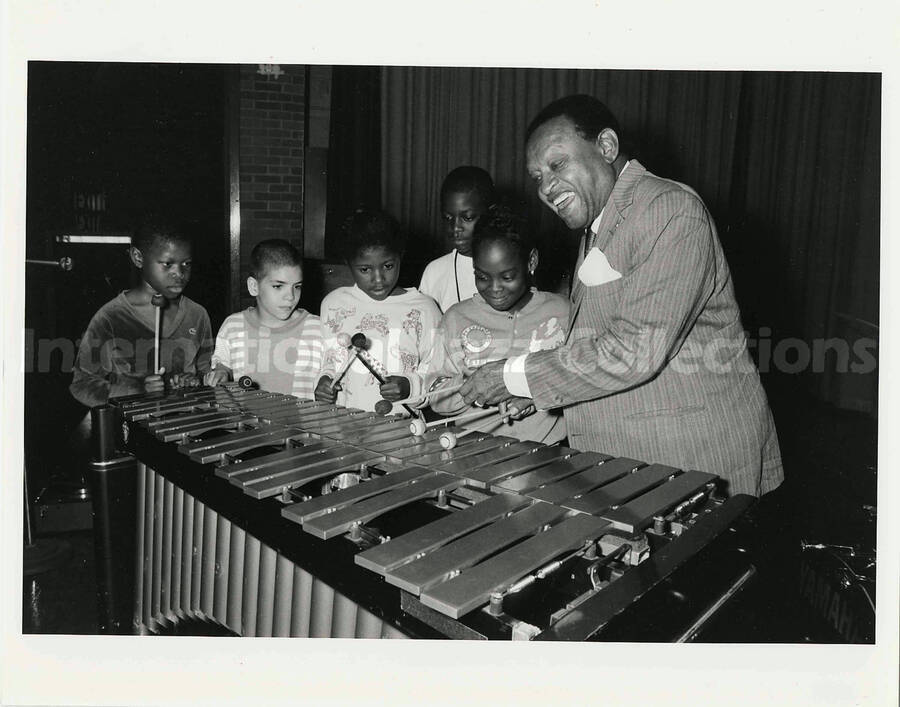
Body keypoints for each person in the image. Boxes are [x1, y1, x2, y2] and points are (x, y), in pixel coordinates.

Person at [460, 95, 784, 497]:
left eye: (557, 165)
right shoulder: (598, 227)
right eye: (537, 176)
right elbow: (596, 347)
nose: (545, 187)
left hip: (694, 459)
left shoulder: (668, 210)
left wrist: (516, 375)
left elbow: (633, 350)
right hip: (633, 461)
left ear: (607, 146)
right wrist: (537, 394)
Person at [418, 205, 569, 444]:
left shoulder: (563, 312)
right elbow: (435, 395)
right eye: (482, 277)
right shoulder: (456, 319)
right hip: (476, 452)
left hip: (550, 451)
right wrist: (474, 390)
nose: (495, 288)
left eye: (507, 277)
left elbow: (582, 379)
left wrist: (534, 396)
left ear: (531, 261)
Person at [70, 216, 213, 407]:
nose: (179, 274)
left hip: (185, 423)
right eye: (167, 264)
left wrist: (195, 382)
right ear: (138, 258)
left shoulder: (198, 314)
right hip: (133, 428)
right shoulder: (110, 317)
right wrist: (137, 390)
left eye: (186, 264)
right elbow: (82, 385)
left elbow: (207, 373)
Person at [315, 208, 441, 414]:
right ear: (349, 264)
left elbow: (438, 379)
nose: (379, 279)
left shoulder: (425, 309)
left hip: (401, 432)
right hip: (342, 429)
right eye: (365, 270)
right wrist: (323, 383)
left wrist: (410, 386)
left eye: (388, 266)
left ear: (401, 256)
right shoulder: (334, 305)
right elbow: (328, 363)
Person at [205, 239, 322, 398]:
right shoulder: (233, 326)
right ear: (254, 286)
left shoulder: (316, 327)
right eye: (278, 286)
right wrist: (220, 374)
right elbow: (223, 367)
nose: (291, 296)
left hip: (301, 422)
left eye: (297, 286)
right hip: (247, 421)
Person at [418, 166, 495, 312]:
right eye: (448, 218)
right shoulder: (435, 272)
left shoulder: (509, 267)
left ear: (490, 212)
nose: (455, 227)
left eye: (467, 218)